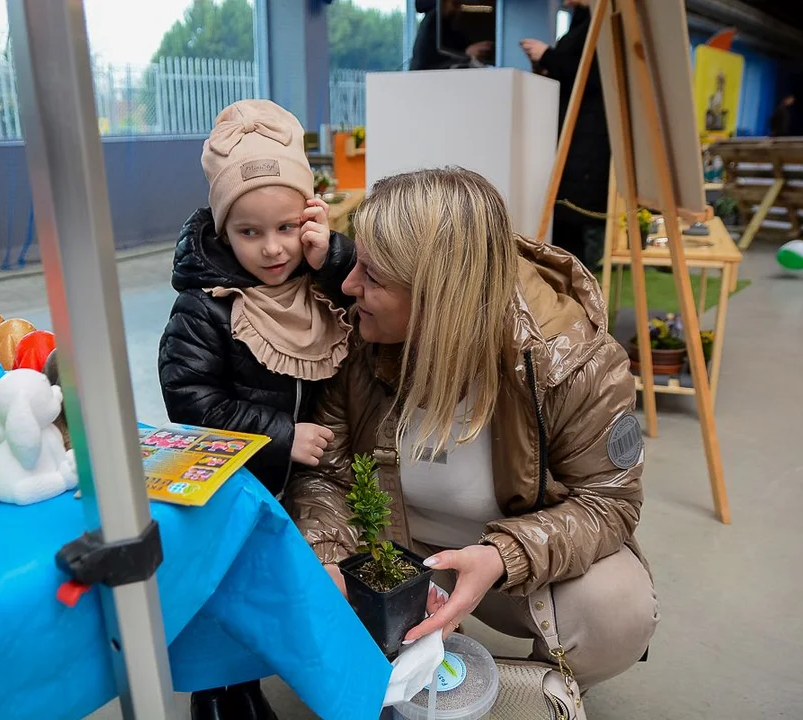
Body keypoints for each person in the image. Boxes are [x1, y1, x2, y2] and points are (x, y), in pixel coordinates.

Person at [286, 168, 658, 690]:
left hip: (507, 560)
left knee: (616, 610)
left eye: (372, 276)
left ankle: (535, 691)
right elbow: (327, 474)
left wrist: (503, 557)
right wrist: (329, 561)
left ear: (439, 298)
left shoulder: (577, 363)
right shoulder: (358, 336)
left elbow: (608, 502)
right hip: (393, 546)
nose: (348, 286)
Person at [158, 99, 355, 720]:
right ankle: (220, 694)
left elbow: (370, 298)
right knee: (223, 584)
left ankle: (259, 673)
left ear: (310, 218)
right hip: (233, 477)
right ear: (223, 231)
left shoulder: (320, 283)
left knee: (272, 585)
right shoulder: (207, 306)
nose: (273, 249)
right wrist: (280, 434)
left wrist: (335, 257)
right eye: (249, 232)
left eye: (288, 228)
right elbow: (189, 398)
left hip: (302, 480)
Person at [520, 0, 610, 272]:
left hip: (587, 139)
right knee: (565, 226)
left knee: (578, 220)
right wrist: (543, 64)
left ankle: (582, 292)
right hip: (570, 134)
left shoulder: (602, 23)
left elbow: (593, 76)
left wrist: (547, 55)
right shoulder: (581, 22)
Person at [410, 0, 494, 71]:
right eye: (455, 3)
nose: (458, 9)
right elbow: (432, 62)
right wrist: (467, 54)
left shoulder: (444, 24)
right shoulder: (435, 22)